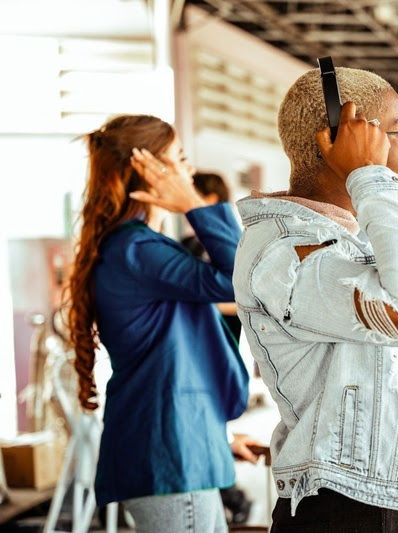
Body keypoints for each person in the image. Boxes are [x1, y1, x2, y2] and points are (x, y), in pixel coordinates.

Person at [233, 66, 398, 531]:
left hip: (394, 496)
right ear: (341, 139)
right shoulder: (285, 254)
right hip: (348, 507)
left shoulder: (346, 241)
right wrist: (372, 177)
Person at [65, 114, 263, 533]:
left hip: (176, 450)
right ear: (147, 170)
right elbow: (241, 280)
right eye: (179, 159)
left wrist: (217, 437)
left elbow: (172, 362)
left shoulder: (140, 248)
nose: (187, 172)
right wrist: (193, 204)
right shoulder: (136, 250)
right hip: (170, 457)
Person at [180, 171, 243, 342]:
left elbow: (248, 299)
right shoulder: (188, 243)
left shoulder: (235, 243)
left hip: (224, 334)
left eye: (193, 196)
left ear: (211, 199)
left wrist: (209, 305)